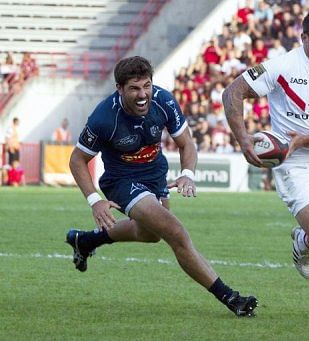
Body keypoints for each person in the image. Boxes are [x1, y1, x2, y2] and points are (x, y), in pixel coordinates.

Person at [66, 56, 257, 317]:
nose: (143, 94)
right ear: (119, 89)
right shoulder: (103, 117)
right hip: (121, 181)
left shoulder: (164, 101)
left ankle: (85, 240)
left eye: (147, 86)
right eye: (134, 88)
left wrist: (188, 173)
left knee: (150, 234)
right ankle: (231, 298)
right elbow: (78, 159)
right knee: (175, 232)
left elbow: (186, 143)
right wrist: (94, 200)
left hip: (155, 174)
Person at [222, 10, 309, 325]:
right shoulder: (281, 66)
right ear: (304, 39)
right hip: (293, 165)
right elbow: (233, 92)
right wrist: (244, 139)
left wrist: (305, 139)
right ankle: (303, 241)